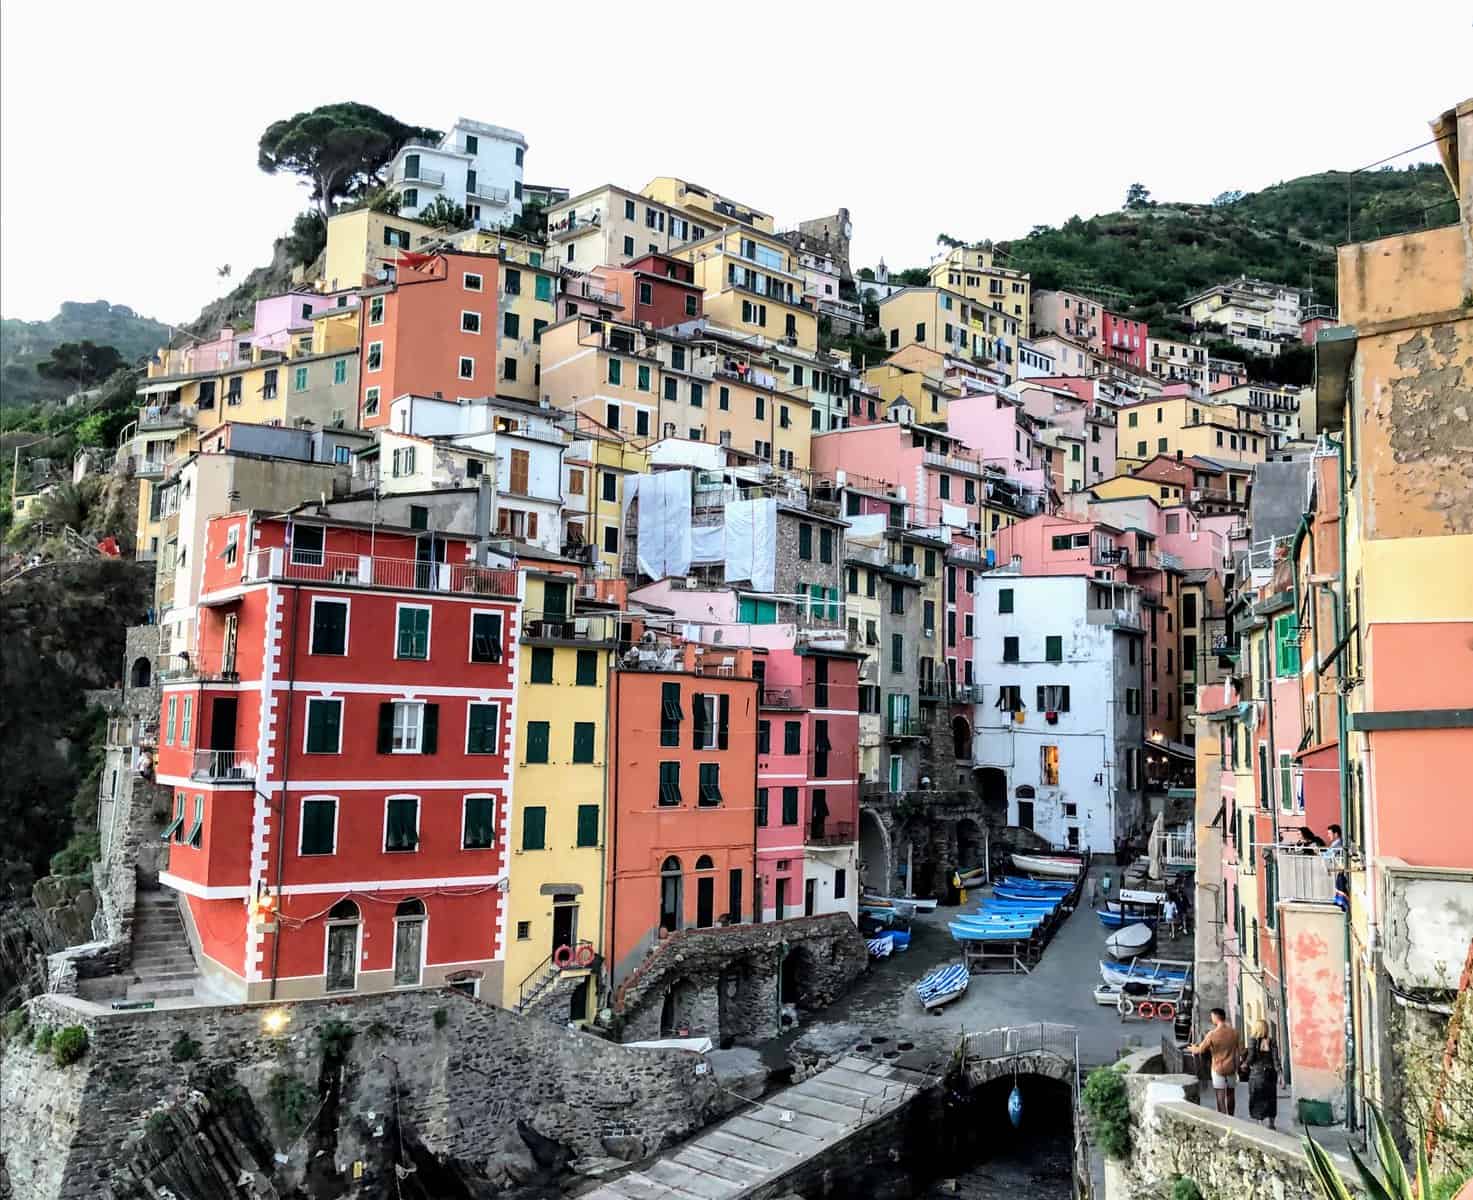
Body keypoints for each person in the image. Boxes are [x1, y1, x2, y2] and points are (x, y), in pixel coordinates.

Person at [1188, 1008, 1241, 1115]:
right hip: (1231, 1067)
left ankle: (1222, 1118)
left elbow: (1200, 1050)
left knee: (1220, 1095)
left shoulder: (1212, 1034)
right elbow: (1240, 1049)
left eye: (1212, 1017)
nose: (1211, 1019)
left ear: (1216, 1017)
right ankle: (1231, 1116)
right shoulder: (1234, 1033)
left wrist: (1193, 1048)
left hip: (1217, 1068)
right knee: (1231, 1094)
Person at [1242, 1019, 1279, 1130]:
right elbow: (1275, 1059)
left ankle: (1260, 1123)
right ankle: (1271, 1124)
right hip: (1271, 1073)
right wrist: (1279, 1072)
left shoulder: (1253, 1040)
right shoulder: (1272, 1041)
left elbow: (1251, 1056)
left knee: (1257, 1097)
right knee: (1271, 1098)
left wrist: (1244, 1064)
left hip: (1257, 1073)